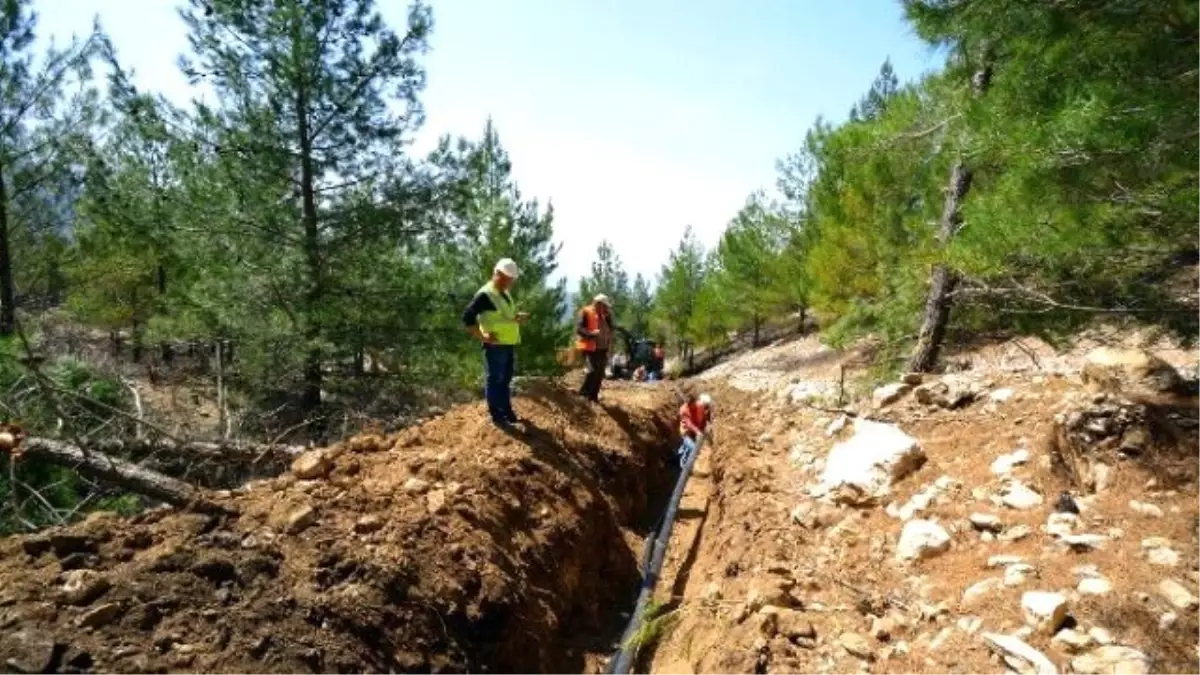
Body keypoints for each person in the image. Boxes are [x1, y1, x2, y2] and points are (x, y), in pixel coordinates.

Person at [463, 258, 530, 428]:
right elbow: (467, 317)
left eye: (512, 280)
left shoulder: (504, 292)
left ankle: (507, 411)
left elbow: (502, 316)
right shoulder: (485, 294)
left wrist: (516, 318)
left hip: (507, 343)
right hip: (495, 346)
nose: (510, 283)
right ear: (498, 275)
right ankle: (497, 416)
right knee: (495, 379)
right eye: (508, 279)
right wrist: (482, 336)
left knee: (505, 380)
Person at [576, 294, 615, 402]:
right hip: (590, 348)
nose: (605, 308)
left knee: (599, 373)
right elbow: (579, 329)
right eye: (604, 306)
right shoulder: (586, 312)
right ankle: (583, 394)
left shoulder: (605, 315)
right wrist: (591, 334)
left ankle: (593, 397)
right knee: (592, 371)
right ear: (597, 303)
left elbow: (611, 330)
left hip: (602, 349)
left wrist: (608, 317)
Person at [677, 393, 713, 466]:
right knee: (692, 448)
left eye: (692, 404)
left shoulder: (700, 406)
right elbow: (689, 424)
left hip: (697, 429)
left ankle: (682, 450)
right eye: (689, 404)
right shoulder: (683, 410)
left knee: (691, 446)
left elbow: (704, 418)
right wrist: (698, 432)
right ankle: (684, 464)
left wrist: (706, 426)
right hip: (686, 431)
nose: (690, 406)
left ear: (695, 402)